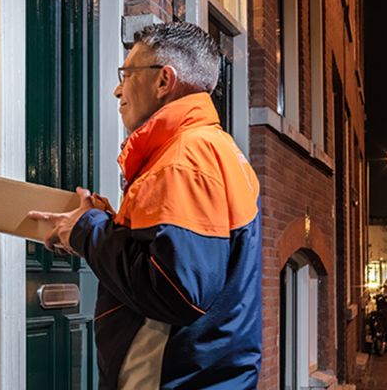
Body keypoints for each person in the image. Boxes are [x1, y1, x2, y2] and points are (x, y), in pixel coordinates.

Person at [31, 22, 262, 389]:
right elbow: (173, 263)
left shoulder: (185, 159)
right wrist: (104, 226)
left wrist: (90, 230)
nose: (117, 89)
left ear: (163, 81)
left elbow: (175, 289)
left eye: (126, 74)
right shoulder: (210, 150)